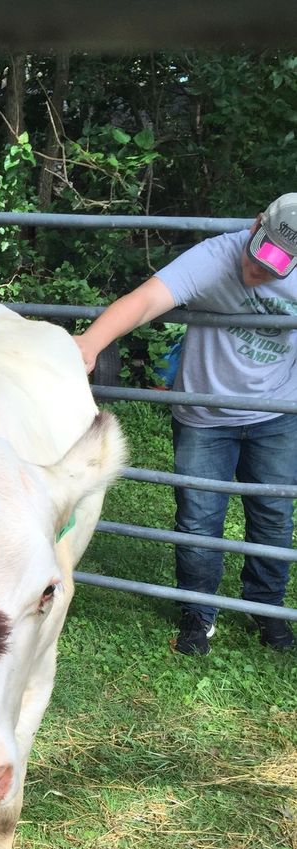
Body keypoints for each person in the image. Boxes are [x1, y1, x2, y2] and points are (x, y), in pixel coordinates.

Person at [73, 193, 297, 655]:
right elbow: (145, 301)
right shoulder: (215, 257)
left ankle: (266, 608)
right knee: (197, 520)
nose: (256, 271)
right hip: (204, 417)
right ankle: (198, 612)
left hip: (276, 414)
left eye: (274, 267)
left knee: (273, 517)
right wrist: (91, 343)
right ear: (256, 224)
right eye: (257, 254)